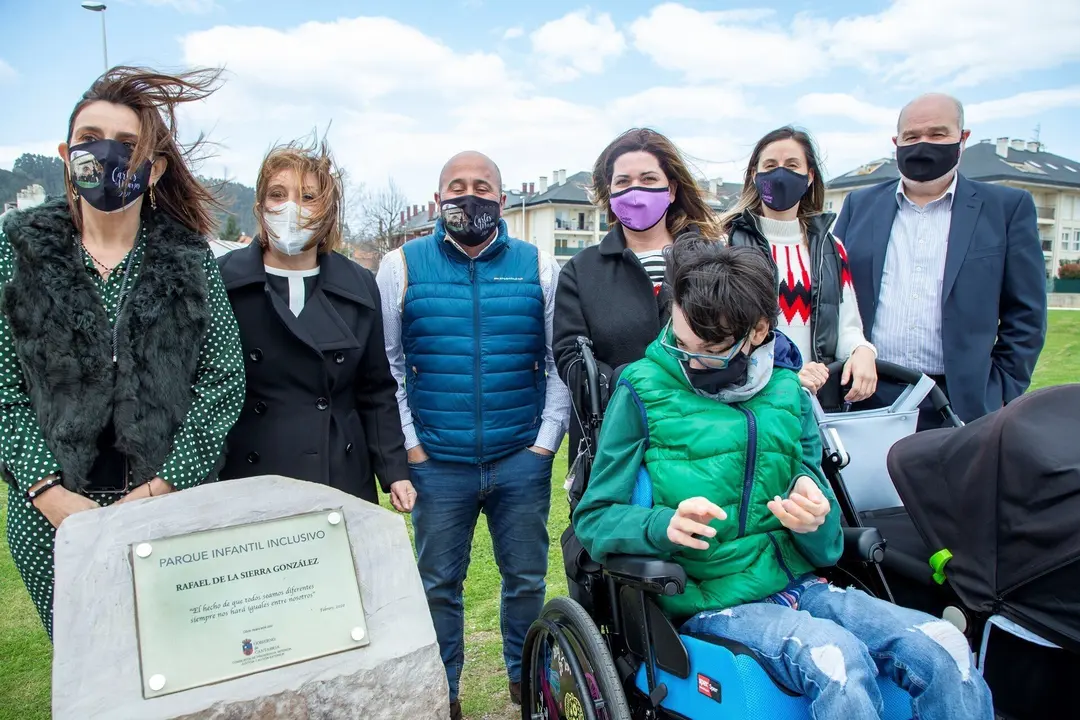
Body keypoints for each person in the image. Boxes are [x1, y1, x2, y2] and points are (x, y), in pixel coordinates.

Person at [573, 236, 993, 719]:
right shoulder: (642, 388)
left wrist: (815, 521)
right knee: (836, 660)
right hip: (709, 599)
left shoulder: (790, 393)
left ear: (758, 331)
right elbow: (594, 519)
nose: (687, 360)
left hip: (800, 585)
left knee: (944, 647)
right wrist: (662, 525)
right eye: (678, 340)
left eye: (708, 351)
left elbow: (828, 549)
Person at [0, 67, 245, 639]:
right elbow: (4, 386)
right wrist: (47, 493)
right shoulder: (17, 249)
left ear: (153, 168)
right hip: (50, 516)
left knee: (176, 654)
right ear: (66, 154)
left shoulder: (189, 258)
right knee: (85, 658)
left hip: (165, 508)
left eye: (127, 145)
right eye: (90, 139)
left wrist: (165, 486)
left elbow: (223, 378)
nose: (106, 154)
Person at [375, 150, 570, 718]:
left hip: (519, 459)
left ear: (502, 200)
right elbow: (388, 364)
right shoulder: (400, 266)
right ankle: (446, 695)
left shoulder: (538, 266)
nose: (469, 195)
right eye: (456, 186)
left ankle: (527, 685)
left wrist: (545, 443)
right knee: (437, 585)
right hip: (438, 463)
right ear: (438, 199)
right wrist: (412, 446)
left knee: (526, 581)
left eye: (482, 186)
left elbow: (556, 361)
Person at [217, 139, 411, 508]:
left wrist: (394, 469)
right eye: (278, 194)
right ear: (260, 206)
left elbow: (375, 390)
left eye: (308, 197)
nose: (292, 208)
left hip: (338, 471)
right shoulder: (221, 281)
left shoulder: (359, 285)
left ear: (329, 211)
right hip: (247, 475)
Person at [833, 93, 1047, 428]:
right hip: (868, 392)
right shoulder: (858, 206)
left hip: (961, 401)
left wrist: (1002, 390)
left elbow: (1026, 315)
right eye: (912, 136)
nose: (923, 144)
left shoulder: (1006, 209)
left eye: (937, 134)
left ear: (962, 138)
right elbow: (833, 295)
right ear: (896, 142)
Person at [554, 128, 721, 475]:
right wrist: (631, 389)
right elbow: (570, 359)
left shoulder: (713, 260)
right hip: (616, 448)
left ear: (671, 189)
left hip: (706, 441)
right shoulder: (581, 270)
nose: (635, 191)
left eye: (648, 179)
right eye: (623, 182)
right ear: (610, 193)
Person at [724, 126, 877, 405]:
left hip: (819, 401)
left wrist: (862, 350)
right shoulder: (727, 244)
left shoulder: (832, 248)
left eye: (792, 165)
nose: (780, 174)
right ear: (755, 176)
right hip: (754, 402)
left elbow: (847, 327)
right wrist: (786, 372)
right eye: (770, 165)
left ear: (809, 177)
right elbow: (720, 335)